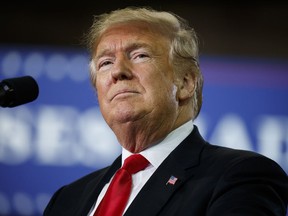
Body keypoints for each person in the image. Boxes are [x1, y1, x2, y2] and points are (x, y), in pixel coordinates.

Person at [43, 6, 288, 216]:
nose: (118, 71)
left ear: (185, 82)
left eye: (140, 55)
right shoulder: (67, 200)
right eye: (105, 62)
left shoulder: (240, 177)